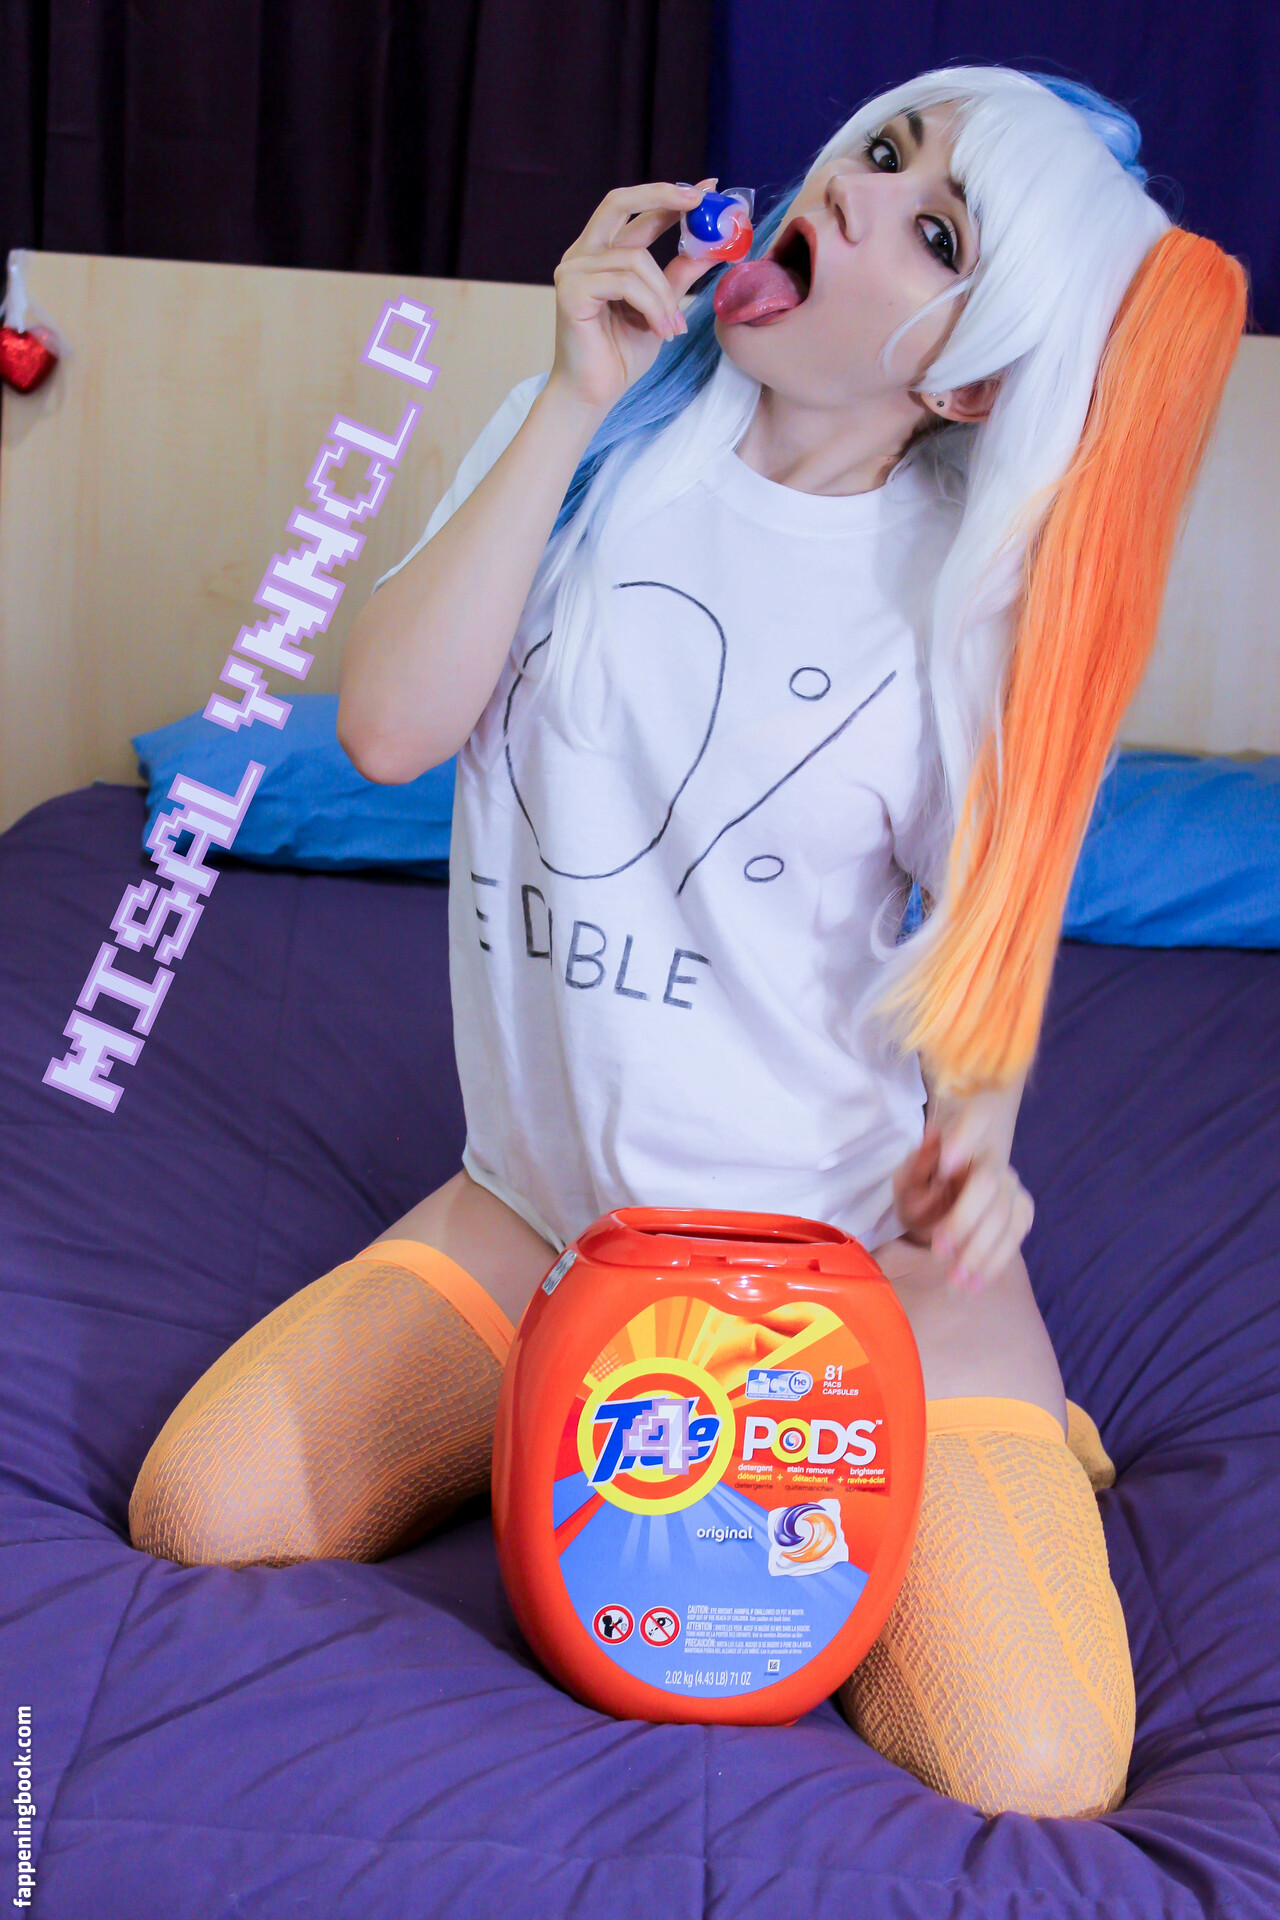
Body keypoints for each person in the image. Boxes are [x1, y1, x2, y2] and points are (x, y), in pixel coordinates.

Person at [129, 65, 1245, 1818]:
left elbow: (988, 933)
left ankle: (1016, 1431)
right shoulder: (593, 445)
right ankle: (569, 1411)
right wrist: (571, 395)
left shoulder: (963, 598)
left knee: (1032, 1768)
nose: (860, 187)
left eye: (937, 230)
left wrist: (978, 1143)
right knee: (201, 1511)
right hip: (544, 1216)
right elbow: (389, 738)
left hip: (847, 1266)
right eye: (882, 148)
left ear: (966, 376)